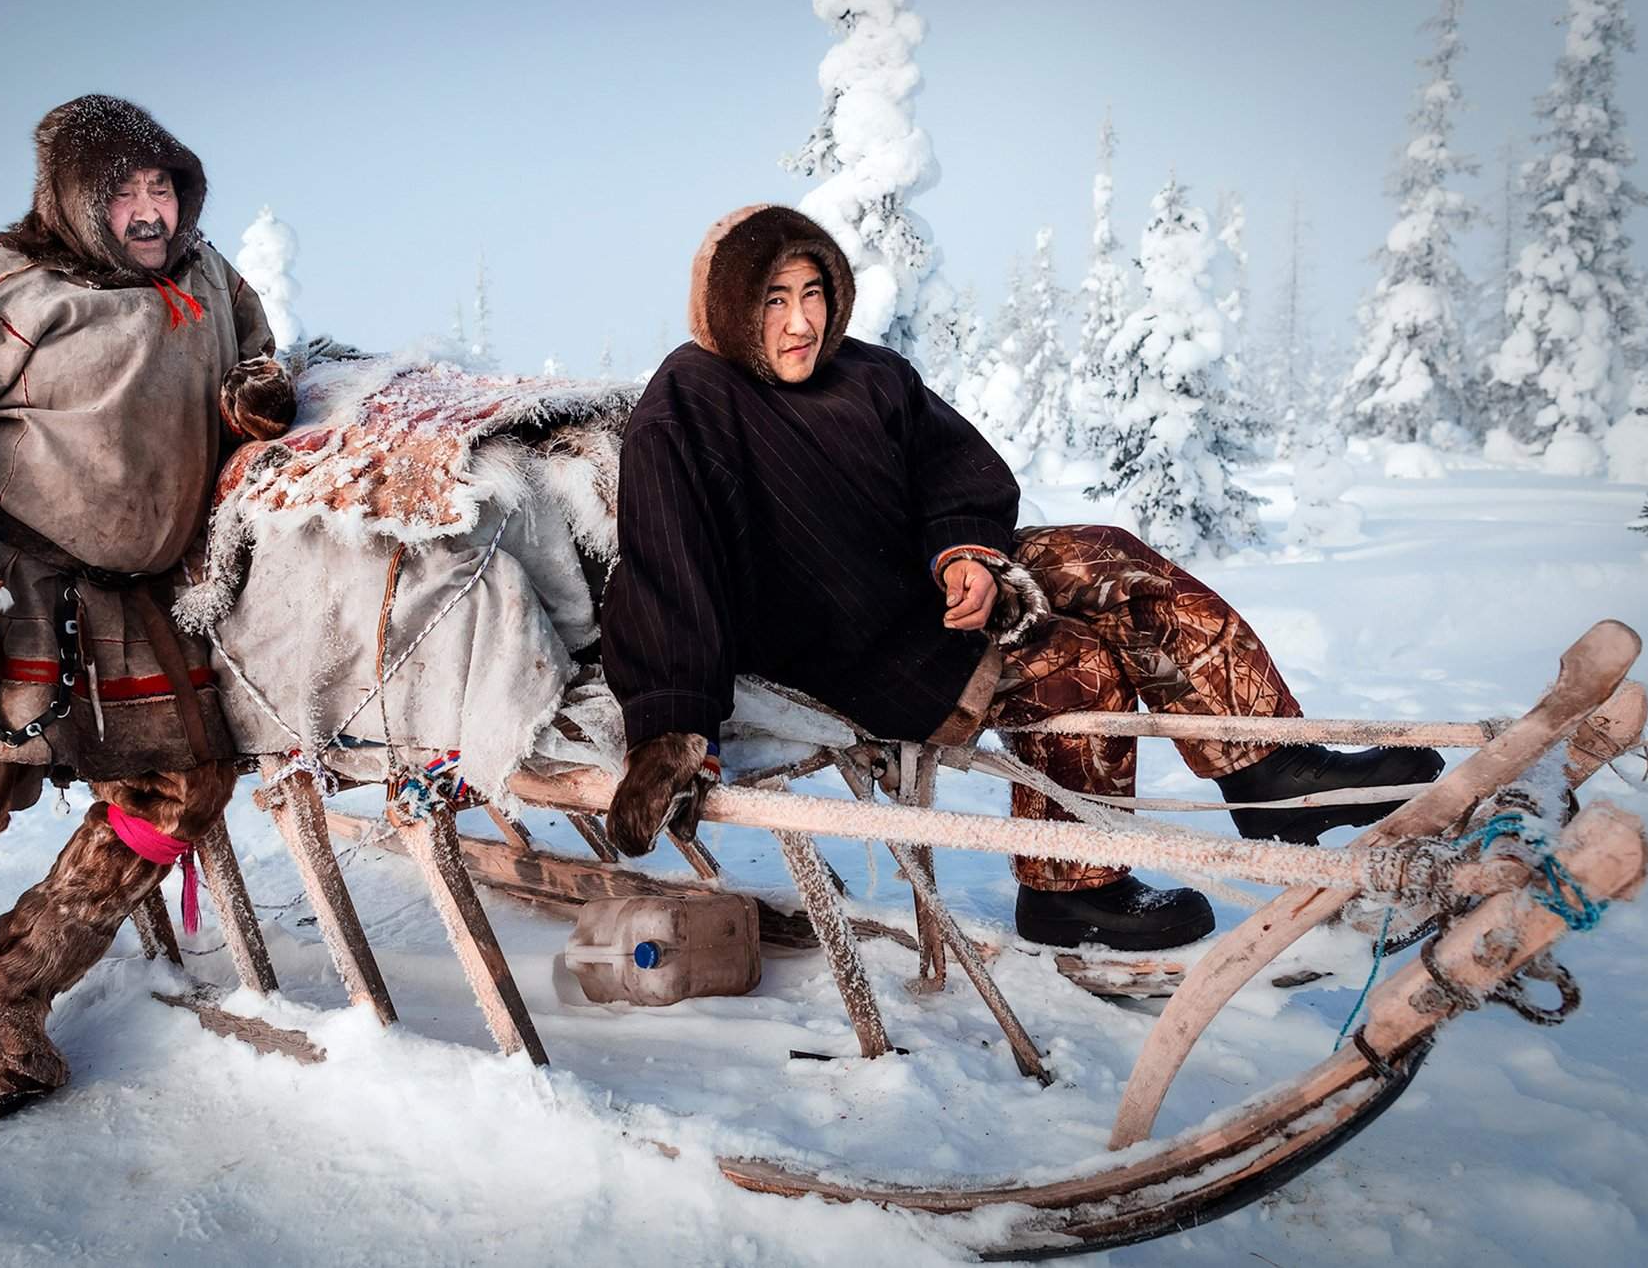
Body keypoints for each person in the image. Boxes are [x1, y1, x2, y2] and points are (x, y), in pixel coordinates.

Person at [600, 204, 1441, 952]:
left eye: (812, 292)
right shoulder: (690, 400)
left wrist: (964, 553)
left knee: (1109, 558)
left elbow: (956, 472)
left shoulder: (870, 373)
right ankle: (1074, 895)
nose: (798, 322)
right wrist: (673, 727)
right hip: (847, 642)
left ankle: (1268, 769)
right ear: (731, 307)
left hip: (929, 585)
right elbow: (666, 565)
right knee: (1074, 665)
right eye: (773, 299)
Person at [0, 95, 296, 1119]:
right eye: (122, 193)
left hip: (133, 599)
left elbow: (255, 356)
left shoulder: (208, 281)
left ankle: (11, 990)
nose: (148, 210)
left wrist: (257, 393)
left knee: (185, 785)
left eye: (162, 187)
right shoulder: (6, 290)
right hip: (4, 583)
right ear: (75, 201)